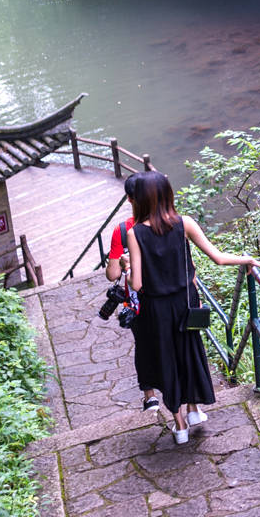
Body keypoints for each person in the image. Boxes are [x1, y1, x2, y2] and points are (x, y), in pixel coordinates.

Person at [125, 170, 260, 445]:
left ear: (139, 199)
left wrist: (128, 269)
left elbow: (137, 284)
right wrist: (247, 259)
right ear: (167, 195)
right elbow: (218, 258)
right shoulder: (184, 223)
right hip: (185, 304)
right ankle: (194, 412)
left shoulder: (135, 233)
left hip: (157, 310)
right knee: (188, 355)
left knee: (166, 360)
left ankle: (179, 428)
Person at [104, 176, 162, 414]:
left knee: (144, 345)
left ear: (129, 199)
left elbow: (112, 274)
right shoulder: (165, 223)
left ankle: (150, 397)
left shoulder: (122, 230)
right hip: (163, 294)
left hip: (135, 302)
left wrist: (117, 260)